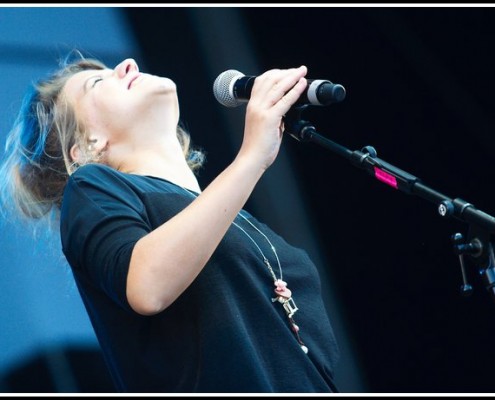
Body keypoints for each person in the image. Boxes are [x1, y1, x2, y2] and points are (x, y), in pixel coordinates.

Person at [0, 51, 340, 393]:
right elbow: (147, 286)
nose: (128, 64)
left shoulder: (243, 223)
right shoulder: (91, 188)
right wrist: (252, 157)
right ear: (87, 144)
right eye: (98, 82)